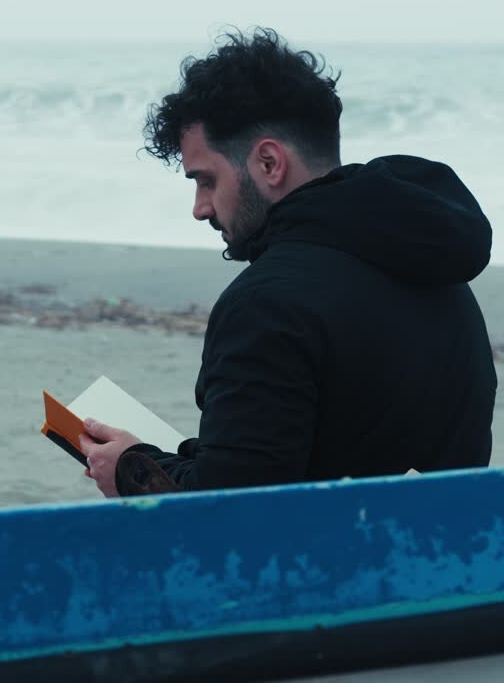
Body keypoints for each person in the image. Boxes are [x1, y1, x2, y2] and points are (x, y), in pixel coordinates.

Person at [80, 28, 496, 497]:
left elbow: (234, 512)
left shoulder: (267, 304)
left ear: (269, 164)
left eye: (206, 180)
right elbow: (325, 454)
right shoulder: (441, 274)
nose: (200, 207)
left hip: (324, 566)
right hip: (451, 558)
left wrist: (130, 470)